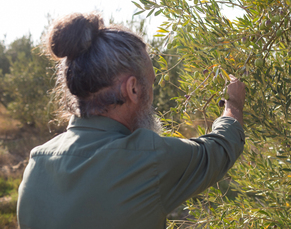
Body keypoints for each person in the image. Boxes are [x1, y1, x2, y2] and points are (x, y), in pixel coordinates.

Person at [17, 13, 246, 229]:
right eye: (152, 83)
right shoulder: (147, 158)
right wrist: (233, 104)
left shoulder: (37, 164)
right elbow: (220, 148)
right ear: (133, 88)